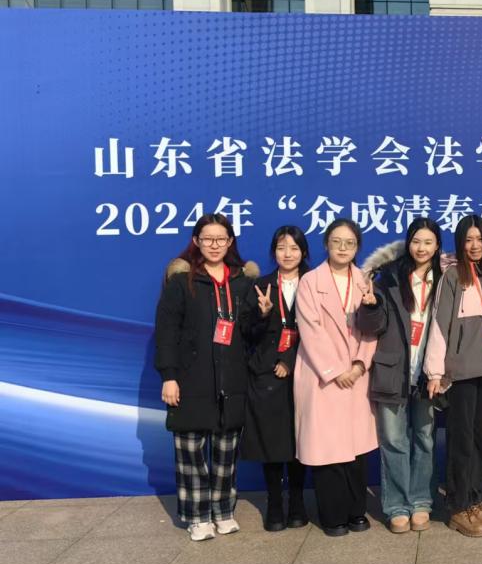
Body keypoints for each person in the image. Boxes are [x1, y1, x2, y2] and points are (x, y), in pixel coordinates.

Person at [155, 213, 269, 541]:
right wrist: (169, 376)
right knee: (190, 452)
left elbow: (249, 334)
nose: (214, 245)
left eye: (221, 239)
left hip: (231, 379)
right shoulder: (182, 281)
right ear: (197, 241)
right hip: (191, 379)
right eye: (208, 239)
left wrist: (262, 315)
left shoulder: (243, 281)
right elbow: (166, 332)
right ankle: (197, 516)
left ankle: (223, 511)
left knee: (225, 453)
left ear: (230, 242)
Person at [424, 214, 482, 538]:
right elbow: (439, 324)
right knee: (461, 441)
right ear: (460, 243)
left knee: (481, 440)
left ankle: (474, 498)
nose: (475, 246)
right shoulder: (451, 277)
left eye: (480, 239)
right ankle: (457, 506)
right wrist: (435, 372)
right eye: (468, 240)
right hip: (460, 372)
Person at [293, 218, 378, 537]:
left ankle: (356, 511)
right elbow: (310, 330)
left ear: (358, 247)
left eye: (350, 243)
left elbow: (373, 328)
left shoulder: (365, 280)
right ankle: (332, 516)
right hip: (322, 376)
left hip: (356, 375)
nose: (343, 248)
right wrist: (334, 370)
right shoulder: (310, 282)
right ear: (326, 244)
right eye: (336, 242)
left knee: (355, 450)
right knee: (328, 450)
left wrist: (359, 365)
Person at [358, 218, 444, 534]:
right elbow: (372, 327)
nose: (421, 248)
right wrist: (370, 306)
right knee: (394, 440)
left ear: (437, 246)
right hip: (393, 370)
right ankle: (396, 505)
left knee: (424, 438)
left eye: (428, 242)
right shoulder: (389, 278)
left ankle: (421, 501)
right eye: (416, 241)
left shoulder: (445, 280)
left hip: (429, 373)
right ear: (408, 244)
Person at [242, 226, 310, 531]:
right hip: (266, 374)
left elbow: (321, 331)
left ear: (303, 252)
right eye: (282, 248)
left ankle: (297, 502)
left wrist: (290, 360)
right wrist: (263, 314)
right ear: (274, 252)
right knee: (271, 440)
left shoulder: (314, 283)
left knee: (299, 438)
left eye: (294, 248)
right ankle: (274, 503)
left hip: (305, 369)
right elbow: (247, 333)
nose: (288, 254)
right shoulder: (261, 286)